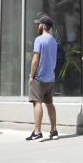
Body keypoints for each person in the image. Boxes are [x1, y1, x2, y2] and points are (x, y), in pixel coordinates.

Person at [26, 14, 58, 142]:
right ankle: (54, 130)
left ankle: (38, 131)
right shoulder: (53, 40)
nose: (37, 26)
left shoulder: (39, 39)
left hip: (39, 77)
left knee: (36, 103)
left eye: (39, 24)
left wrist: (32, 74)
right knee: (49, 104)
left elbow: (35, 59)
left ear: (44, 26)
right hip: (50, 77)